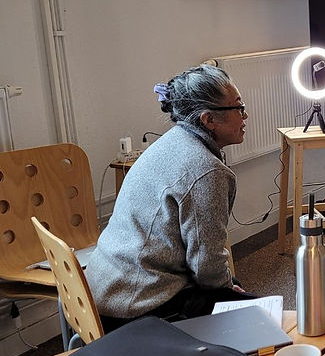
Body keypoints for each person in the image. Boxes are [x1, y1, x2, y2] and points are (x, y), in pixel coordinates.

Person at [86, 64, 254, 331]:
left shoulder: (172, 140)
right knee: (257, 315)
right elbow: (207, 269)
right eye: (238, 107)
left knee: (237, 293)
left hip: (102, 289)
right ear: (208, 119)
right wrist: (229, 290)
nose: (245, 115)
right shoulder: (206, 171)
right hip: (135, 304)